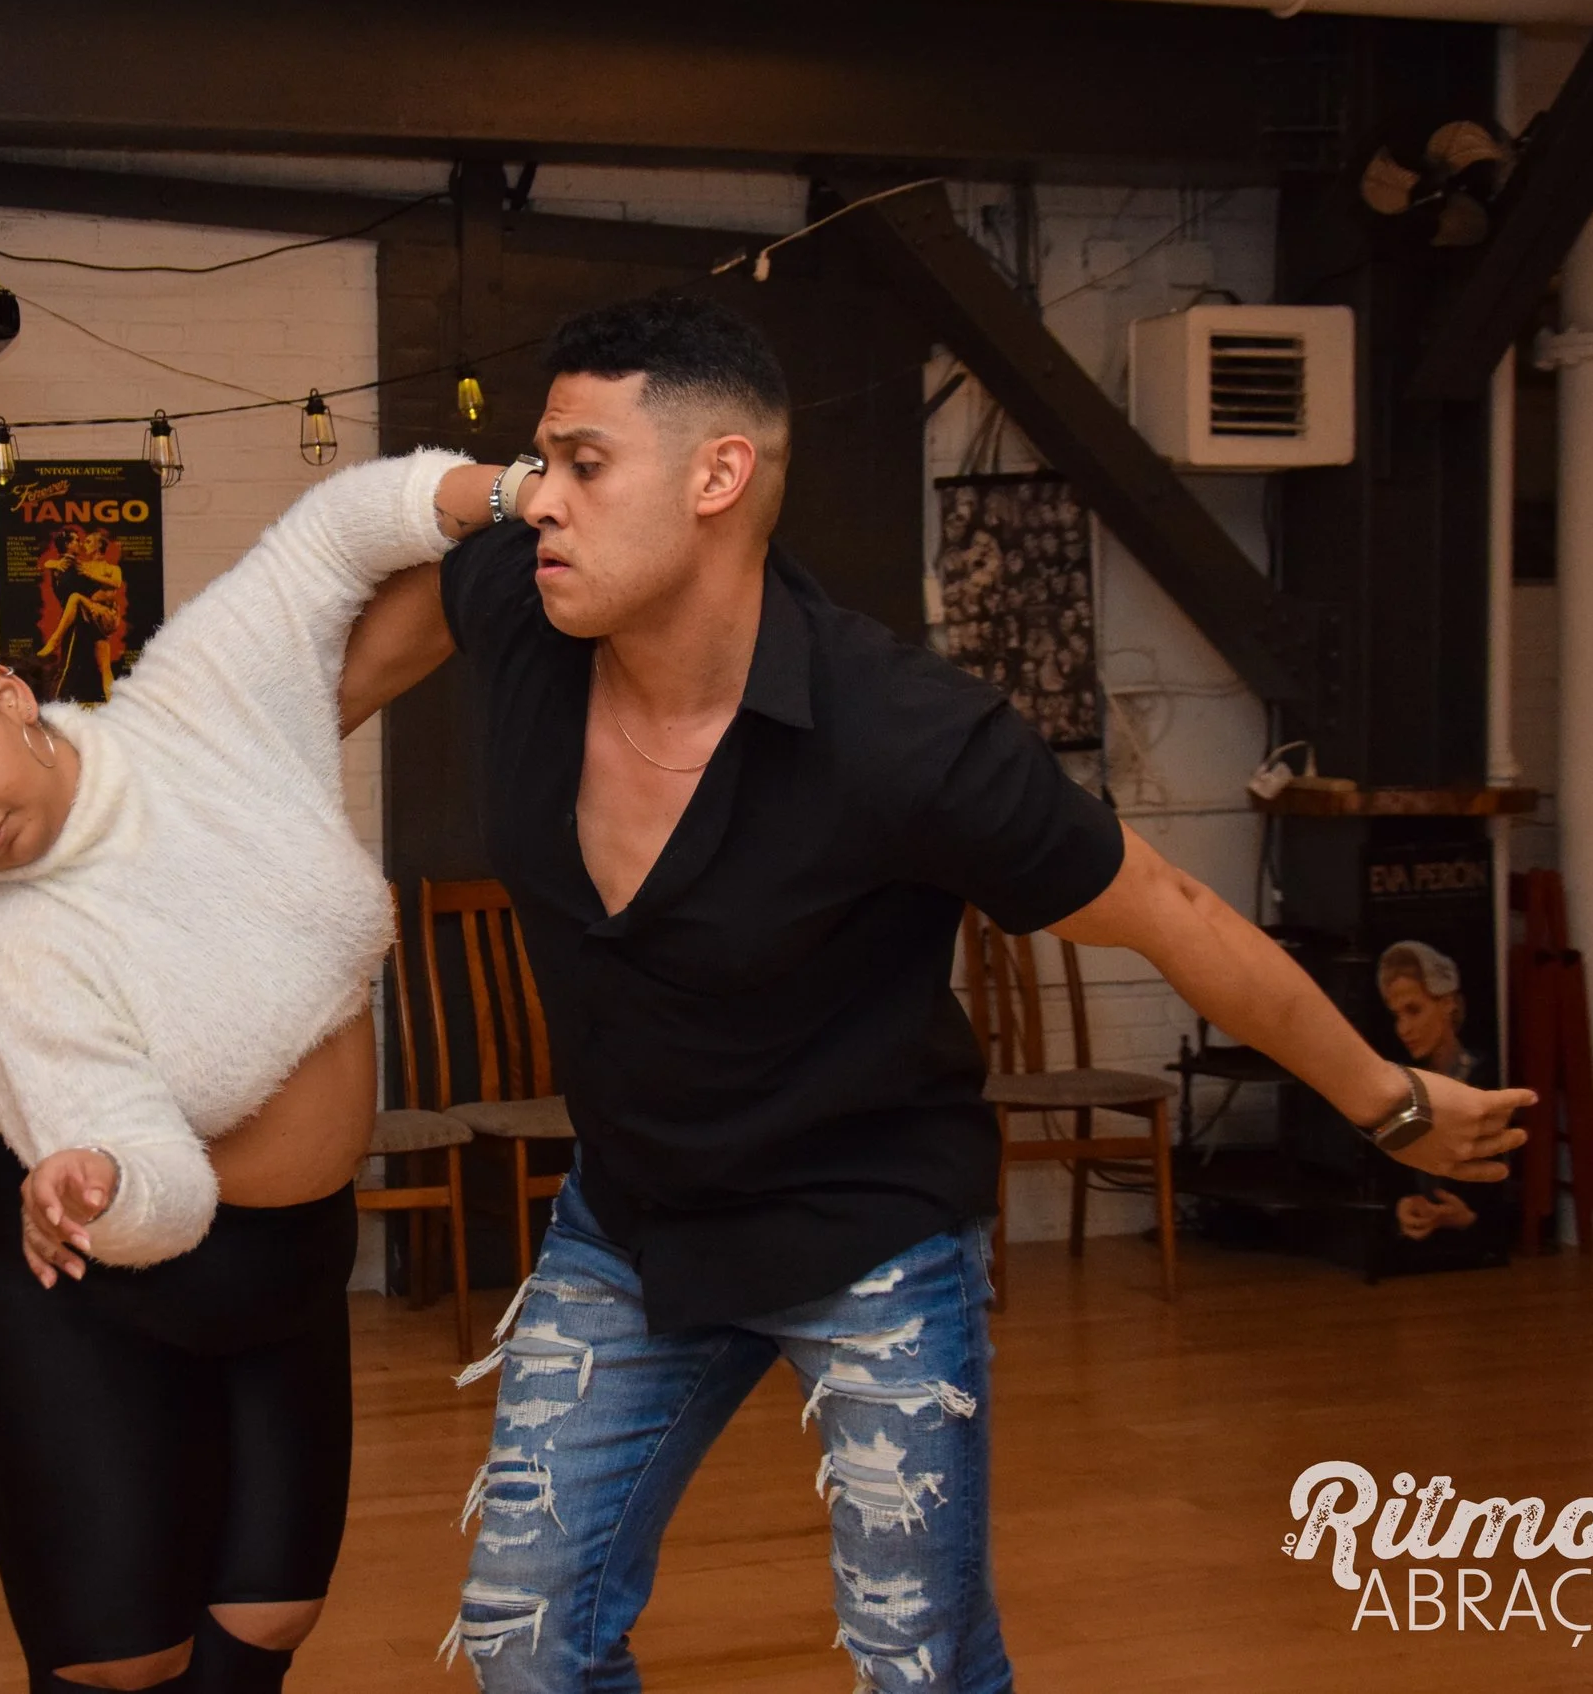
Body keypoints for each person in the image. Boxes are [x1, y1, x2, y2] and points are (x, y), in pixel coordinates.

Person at [331, 294, 1532, 1693]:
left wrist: (1389, 1104)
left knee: (923, 1666)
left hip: (868, 1235)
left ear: (718, 477)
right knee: (525, 1634)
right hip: (634, 1220)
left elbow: (1177, 914)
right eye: (542, 462)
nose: (542, 498)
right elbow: (318, 683)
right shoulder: (523, 600)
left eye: (585, 464)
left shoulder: (907, 739)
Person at [0, 449, 498, 1693]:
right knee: (127, 1665)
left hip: (293, 1261)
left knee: (267, 1624)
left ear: (8, 694)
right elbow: (159, 1187)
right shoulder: (8, 952)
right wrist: (96, 1180)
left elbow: (329, 545)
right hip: (79, 1274)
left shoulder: (196, 715)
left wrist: (502, 493)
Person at [1376, 940, 1490, 1242]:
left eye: (1414, 1010)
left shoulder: (1483, 1080)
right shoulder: (1407, 1086)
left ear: (1448, 1003)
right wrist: (1404, 1206)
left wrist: (1469, 1219)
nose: (1403, 1028)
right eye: (1397, 1015)